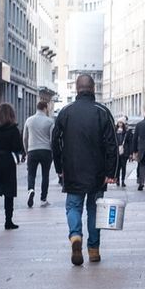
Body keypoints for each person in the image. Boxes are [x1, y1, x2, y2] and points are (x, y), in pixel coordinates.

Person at [52, 74, 117, 266]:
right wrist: (111, 172)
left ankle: (75, 236)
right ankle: (94, 250)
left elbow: (55, 142)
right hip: (97, 171)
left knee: (73, 206)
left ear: (76, 89)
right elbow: (112, 144)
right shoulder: (102, 111)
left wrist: (59, 168)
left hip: (72, 169)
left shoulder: (65, 112)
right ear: (93, 88)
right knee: (94, 209)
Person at [0, 102, 24, 232]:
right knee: (9, 193)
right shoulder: (13, 129)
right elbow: (17, 148)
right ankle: (8, 221)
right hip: (7, 162)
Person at [24, 99, 55, 208]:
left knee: (31, 174)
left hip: (32, 150)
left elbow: (25, 137)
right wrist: (52, 151)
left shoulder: (29, 120)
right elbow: (52, 139)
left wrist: (27, 151)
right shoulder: (50, 121)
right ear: (45, 108)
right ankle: (43, 199)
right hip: (46, 150)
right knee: (45, 175)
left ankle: (31, 189)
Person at [114, 118, 132, 186]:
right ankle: (117, 180)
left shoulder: (127, 132)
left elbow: (130, 142)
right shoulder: (115, 131)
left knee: (124, 167)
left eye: (121, 123)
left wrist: (130, 153)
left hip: (125, 152)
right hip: (117, 152)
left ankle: (123, 181)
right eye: (119, 123)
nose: (120, 124)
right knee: (118, 167)